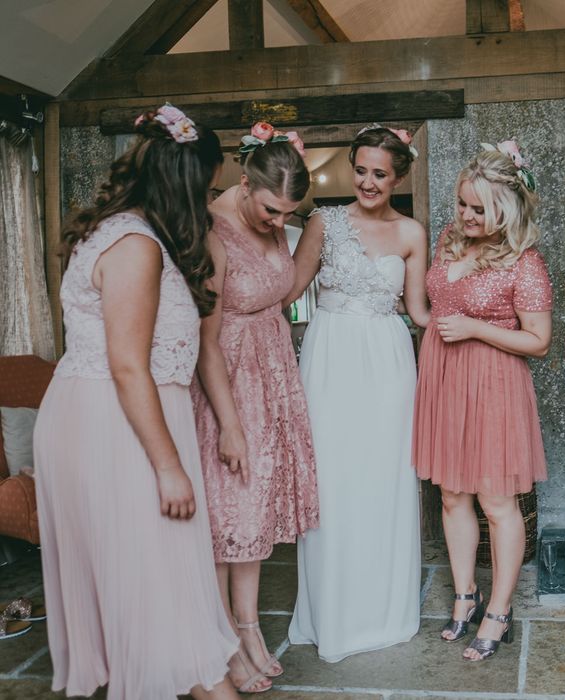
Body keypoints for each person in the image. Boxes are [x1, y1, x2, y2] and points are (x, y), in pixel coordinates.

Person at [32, 105, 242, 699]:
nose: (210, 197)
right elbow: (128, 365)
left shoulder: (133, 233)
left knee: (150, 588)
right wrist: (170, 466)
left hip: (109, 413)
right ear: (185, 181)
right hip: (115, 422)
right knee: (165, 589)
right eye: (207, 183)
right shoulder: (135, 247)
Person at [285, 125, 430, 662]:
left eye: (381, 174)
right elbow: (291, 288)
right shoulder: (324, 222)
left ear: (397, 176)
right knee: (333, 479)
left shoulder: (413, 233)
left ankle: (383, 611)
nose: (368, 182)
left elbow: (417, 313)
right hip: (330, 358)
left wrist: (477, 324)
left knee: (384, 479)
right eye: (362, 170)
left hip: (388, 362)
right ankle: (334, 612)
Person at [191, 122, 320, 691]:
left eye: (289, 215)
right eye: (271, 211)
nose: (278, 223)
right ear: (244, 182)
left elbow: (284, 290)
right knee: (225, 518)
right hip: (229, 382)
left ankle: (248, 627)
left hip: (273, 375)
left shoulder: (277, 222)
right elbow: (205, 340)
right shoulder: (212, 232)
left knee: (256, 514)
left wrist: (311, 230)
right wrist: (229, 424)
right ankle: (219, 639)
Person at [412, 140, 552, 662]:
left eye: (479, 208)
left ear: (506, 209)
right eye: (463, 204)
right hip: (445, 379)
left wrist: (473, 327)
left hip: (493, 383)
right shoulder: (448, 239)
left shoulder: (525, 262)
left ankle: (499, 610)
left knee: (496, 501)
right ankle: (465, 595)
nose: (466, 216)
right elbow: (432, 303)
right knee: (452, 495)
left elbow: (538, 341)